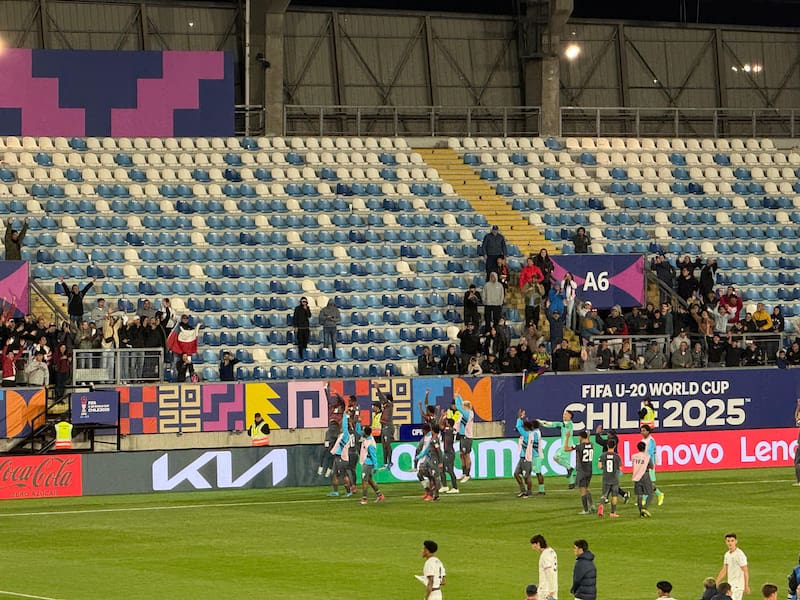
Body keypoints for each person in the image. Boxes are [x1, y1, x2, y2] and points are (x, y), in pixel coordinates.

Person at [540, 410, 576, 488]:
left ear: (570, 416)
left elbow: (556, 424)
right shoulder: (563, 424)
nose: (564, 416)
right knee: (566, 462)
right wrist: (542, 423)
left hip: (567, 445)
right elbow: (553, 424)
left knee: (555, 457)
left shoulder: (569, 424)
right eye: (564, 414)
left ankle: (570, 468)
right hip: (565, 445)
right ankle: (572, 483)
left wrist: (543, 422)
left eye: (566, 414)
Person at [716, 533, 750, 600]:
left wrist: (746, 586)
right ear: (726, 542)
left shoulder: (739, 555)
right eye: (728, 541)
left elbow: (745, 571)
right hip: (730, 585)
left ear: (736, 541)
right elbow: (724, 569)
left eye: (732, 541)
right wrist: (716, 582)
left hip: (738, 586)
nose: (730, 543)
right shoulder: (727, 554)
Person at [358, 425, 385, 504]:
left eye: (363, 431)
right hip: (366, 462)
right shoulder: (366, 438)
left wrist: (375, 467)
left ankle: (364, 499)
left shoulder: (370, 443)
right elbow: (358, 432)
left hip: (368, 464)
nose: (362, 432)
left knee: (364, 480)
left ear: (365, 433)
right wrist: (358, 423)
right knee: (369, 480)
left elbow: (374, 456)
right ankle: (380, 495)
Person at [570, 429, 595, 514]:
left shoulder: (579, 446)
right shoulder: (591, 445)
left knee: (582, 490)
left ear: (581, 437)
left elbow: (566, 449)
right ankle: (591, 505)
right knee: (586, 488)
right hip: (589, 470)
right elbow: (587, 442)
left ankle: (586, 510)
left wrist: (567, 438)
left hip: (582, 471)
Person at [641, 424, 665, 505]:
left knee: (649, 482)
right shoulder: (643, 440)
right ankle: (658, 494)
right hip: (645, 463)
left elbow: (650, 453)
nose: (642, 432)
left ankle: (656, 495)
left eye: (644, 430)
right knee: (646, 482)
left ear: (648, 431)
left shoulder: (650, 440)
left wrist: (648, 463)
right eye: (641, 431)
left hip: (649, 463)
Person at [597, 439, 621, 518]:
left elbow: (599, 466)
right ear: (615, 446)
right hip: (614, 479)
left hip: (606, 478)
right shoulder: (617, 456)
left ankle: (601, 506)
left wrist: (604, 468)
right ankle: (612, 513)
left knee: (604, 495)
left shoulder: (603, 455)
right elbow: (620, 468)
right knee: (614, 496)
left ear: (607, 446)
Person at [530, 534, 558, 600]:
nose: (532, 547)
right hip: (551, 588)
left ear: (538, 543)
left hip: (546, 591)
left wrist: (551, 591)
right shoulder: (551, 551)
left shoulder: (545, 555)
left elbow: (549, 572)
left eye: (533, 544)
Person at [631, 440, 655, 517]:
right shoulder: (647, 456)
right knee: (650, 493)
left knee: (639, 495)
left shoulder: (634, 456)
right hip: (645, 475)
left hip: (636, 476)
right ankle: (644, 508)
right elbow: (651, 466)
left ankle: (641, 513)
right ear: (645, 448)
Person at [514, 410, 534, 498]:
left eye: (524, 426)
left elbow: (518, 426)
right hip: (522, 457)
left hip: (527, 458)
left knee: (526, 476)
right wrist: (523, 419)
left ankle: (529, 492)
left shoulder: (526, 434)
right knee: (516, 473)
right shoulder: (528, 433)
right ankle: (523, 490)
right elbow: (520, 427)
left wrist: (519, 418)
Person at [455, 394, 474, 482]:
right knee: (462, 455)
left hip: (467, 437)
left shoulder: (468, 413)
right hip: (462, 436)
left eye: (463, 406)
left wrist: (456, 398)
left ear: (466, 407)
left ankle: (467, 474)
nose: (462, 407)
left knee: (466, 455)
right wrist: (459, 396)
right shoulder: (465, 413)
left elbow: (458, 407)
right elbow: (461, 405)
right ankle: (463, 473)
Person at [439, 416, 459, 494]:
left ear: (449, 424)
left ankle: (455, 487)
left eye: (447, 422)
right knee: (442, 469)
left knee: (450, 470)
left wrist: (442, 417)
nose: (445, 423)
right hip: (448, 452)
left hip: (449, 453)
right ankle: (445, 486)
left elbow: (440, 425)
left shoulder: (449, 430)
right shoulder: (451, 430)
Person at [376, 388, 394, 468]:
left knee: (387, 444)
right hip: (383, 427)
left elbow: (383, 398)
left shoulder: (390, 404)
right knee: (384, 445)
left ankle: (390, 462)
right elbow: (381, 398)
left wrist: (378, 389)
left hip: (388, 427)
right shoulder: (385, 406)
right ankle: (385, 463)